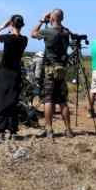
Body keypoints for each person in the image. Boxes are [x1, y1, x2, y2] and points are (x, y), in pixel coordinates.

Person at [31, 8, 75, 139]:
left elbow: (33, 34)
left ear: (52, 18)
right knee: (62, 101)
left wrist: (41, 20)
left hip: (50, 70)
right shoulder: (66, 32)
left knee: (48, 99)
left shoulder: (48, 31)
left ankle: (49, 129)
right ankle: (68, 130)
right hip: (61, 70)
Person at [0, 16, 27, 142]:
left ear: (11, 24)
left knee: (1, 100)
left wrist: (1, 27)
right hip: (16, 72)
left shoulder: (8, 38)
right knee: (13, 100)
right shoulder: (24, 40)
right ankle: (13, 130)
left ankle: (1, 131)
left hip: (4, 72)